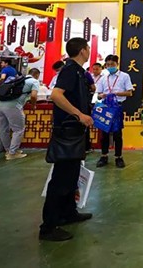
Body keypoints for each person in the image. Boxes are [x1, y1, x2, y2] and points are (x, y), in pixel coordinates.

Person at [40, 37, 94, 242]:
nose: (89, 51)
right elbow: (56, 95)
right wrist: (78, 114)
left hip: (75, 131)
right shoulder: (70, 70)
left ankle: (68, 212)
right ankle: (48, 226)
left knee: (72, 174)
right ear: (82, 51)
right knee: (61, 178)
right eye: (87, 48)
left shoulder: (79, 71)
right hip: (67, 131)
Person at [95, 54, 134, 169]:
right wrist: (102, 95)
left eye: (112, 64)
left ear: (117, 64)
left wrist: (116, 94)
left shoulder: (124, 76)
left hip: (117, 107)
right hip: (106, 107)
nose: (110, 66)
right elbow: (98, 95)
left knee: (117, 133)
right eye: (108, 65)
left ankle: (118, 157)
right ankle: (104, 156)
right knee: (104, 133)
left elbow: (129, 92)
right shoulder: (103, 78)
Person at [0, 67, 39, 160]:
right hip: (14, 106)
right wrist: (33, 105)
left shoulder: (17, 79)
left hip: (0, 105)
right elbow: (33, 96)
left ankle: (8, 150)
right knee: (18, 129)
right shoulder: (34, 81)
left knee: (4, 129)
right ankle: (12, 153)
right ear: (37, 75)